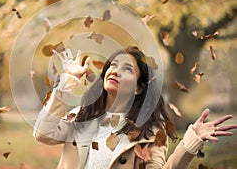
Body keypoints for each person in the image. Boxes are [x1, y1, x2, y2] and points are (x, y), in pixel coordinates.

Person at [33, 46, 237, 169]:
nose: (116, 71)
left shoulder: (150, 133)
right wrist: (66, 83)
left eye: (127, 69)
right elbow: (43, 133)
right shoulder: (80, 117)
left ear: (139, 88)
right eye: (113, 65)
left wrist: (189, 144)